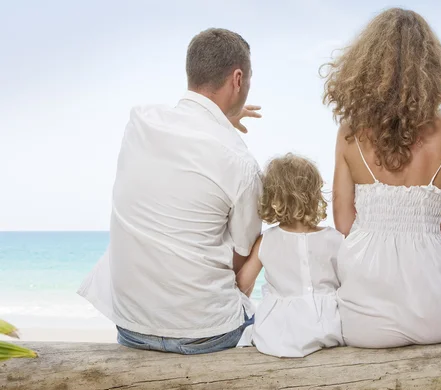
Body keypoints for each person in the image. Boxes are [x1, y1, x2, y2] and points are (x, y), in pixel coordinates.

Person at [77, 28, 263, 354]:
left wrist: (221, 120)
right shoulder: (240, 161)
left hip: (132, 327)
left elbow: (190, 136)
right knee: (264, 241)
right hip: (209, 333)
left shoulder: (139, 123)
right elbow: (241, 253)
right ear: (237, 79)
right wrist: (224, 126)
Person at [323, 8, 441, 348]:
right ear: (432, 66)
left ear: (365, 64)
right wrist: (424, 269)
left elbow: (344, 223)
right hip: (437, 315)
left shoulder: (349, 132)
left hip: (363, 322)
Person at [236, 154, 345, 357]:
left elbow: (242, 284)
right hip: (329, 326)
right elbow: (348, 283)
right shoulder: (335, 239)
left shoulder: (266, 240)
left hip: (279, 332)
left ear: (272, 197)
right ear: (315, 194)